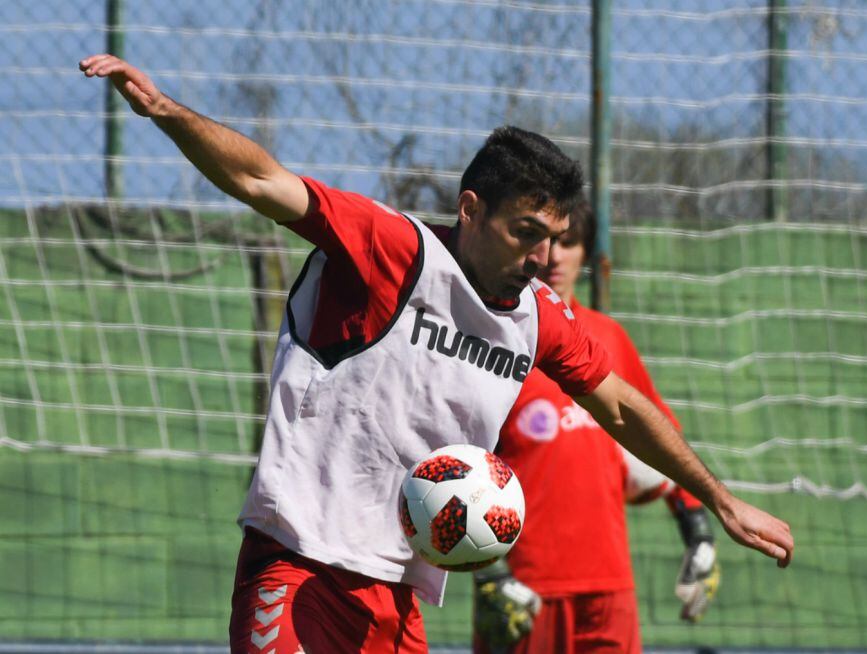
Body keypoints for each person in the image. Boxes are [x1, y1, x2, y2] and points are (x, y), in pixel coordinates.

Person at [79, 54, 794, 654]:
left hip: (399, 597)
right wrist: (166, 111)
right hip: (299, 566)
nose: (542, 257)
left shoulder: (539, 318)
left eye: (554, 236)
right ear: (471, 209)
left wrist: (720, 500)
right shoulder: (394, 250)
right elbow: (264, 180)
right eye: (524, 232)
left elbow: (619, 405)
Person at [473, 202, 722, 653]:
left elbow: (659, 435)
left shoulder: (609, 338)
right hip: (525, 590)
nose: (553, 257)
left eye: (567, 243)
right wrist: (490, 573)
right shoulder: (489, 341)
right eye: (539, 241)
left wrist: (698, 532)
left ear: (585, 253)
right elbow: (458, 467)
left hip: (609, 588)